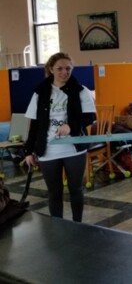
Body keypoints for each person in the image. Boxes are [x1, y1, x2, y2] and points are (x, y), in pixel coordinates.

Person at [24, 52, 96, 222]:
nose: (64, 72)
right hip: (48, 150)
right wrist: (28, 151)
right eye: (60, 68)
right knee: (54, 192)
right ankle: (57, 227)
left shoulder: (81, 90)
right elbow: (34, 124)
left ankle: (77, 224)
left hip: (74, 149)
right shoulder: (40, 93)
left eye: (68, 68)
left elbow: (89, 117)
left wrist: (71, 126)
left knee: (75, 189)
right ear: (51, 69)